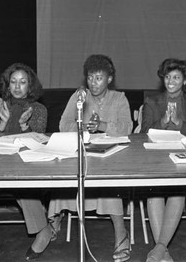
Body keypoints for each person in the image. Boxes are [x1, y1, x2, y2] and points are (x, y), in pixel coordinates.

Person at [50, 54, 133, 262]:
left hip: (109, 156)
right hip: (83, 152)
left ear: (109, 79)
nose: (93, 83)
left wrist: (102, 126)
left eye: (99, 78)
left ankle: (120, 232)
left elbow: (127, 128)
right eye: (90, 77)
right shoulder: (79, 96)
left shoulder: (119, 98)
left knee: (109, 182)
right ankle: (54, 218)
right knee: (67, 172)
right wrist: (83, 129)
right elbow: (63, 125)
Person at [0, 63, 53, 260]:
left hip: (25, 161)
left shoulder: (39, 109)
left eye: (23, 82)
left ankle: (43, 230)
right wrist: (2, 122)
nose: (18, 87)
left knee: (25, 185)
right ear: (7, 85)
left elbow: (39, 142)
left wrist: (23, 125)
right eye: (13, 82)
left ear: (30, 86)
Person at [140, 58, 186, 262]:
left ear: (185, 81)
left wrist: (179, 124)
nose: (171, 81)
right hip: (157, 157)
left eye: (176, 77)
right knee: (155, 193)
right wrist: (162, 123)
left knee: (178, 193)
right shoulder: (151, 101)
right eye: (167, 77)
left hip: (183, 159)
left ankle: (159, 250)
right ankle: (163, 252)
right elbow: (143, 133)